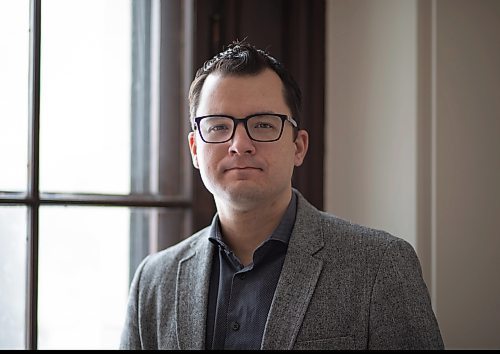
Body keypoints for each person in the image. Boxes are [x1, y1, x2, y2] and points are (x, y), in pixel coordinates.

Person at [119, 41, 444, 350]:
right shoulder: (154, 281)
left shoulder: (379, 265)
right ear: (194, 149)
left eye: (262, 125)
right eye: (218, 126)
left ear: (298, 146)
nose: (239, 144)